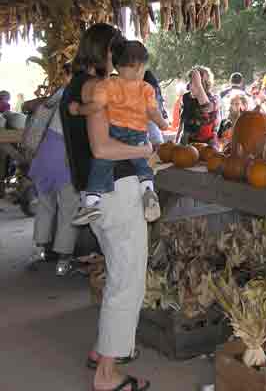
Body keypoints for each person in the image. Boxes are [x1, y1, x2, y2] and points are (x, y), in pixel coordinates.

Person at [61, 24, 152, 391]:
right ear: (108, 53)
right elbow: (102, 149)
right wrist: (145, 151)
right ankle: (106, 377)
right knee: (126, 282)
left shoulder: (78, 86)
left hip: (101, 192)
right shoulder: (94, 88)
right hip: (117, 191)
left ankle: (103, 353)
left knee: (119, 273)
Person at [69, 41, 168, 226]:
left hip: (116, 133)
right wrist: (163, 125)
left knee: (101, 164)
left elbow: (95, 107)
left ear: (116, 65)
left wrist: (78, 110)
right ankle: (148, 190)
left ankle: (91, 202)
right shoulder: (147, 89)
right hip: (139, 135)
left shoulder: (106, 85)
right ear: (140, 67)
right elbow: (154, 113)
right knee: (143, 165)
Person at [28, 63, 80, 276]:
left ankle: (39, 250)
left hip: (44, 155)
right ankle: (63, 261)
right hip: (65, 158)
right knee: (69, 209)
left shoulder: (56, 95)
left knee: (45, 205)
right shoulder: (78, 98)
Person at [177, 66, 220, 146]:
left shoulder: (214, 99)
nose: (190, 86)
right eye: (190, 82)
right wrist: (177, 140)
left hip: (208, 145)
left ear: (205, 84)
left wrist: (198, 86)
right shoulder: (186, 98)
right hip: (187, 142)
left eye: (195, 83)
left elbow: (206, 108)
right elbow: (182, 120)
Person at [143, 69, 168, 147]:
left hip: (145, 139)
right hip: (153, 137)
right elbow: (163, 125)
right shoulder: (150, 96)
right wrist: (164, 124)